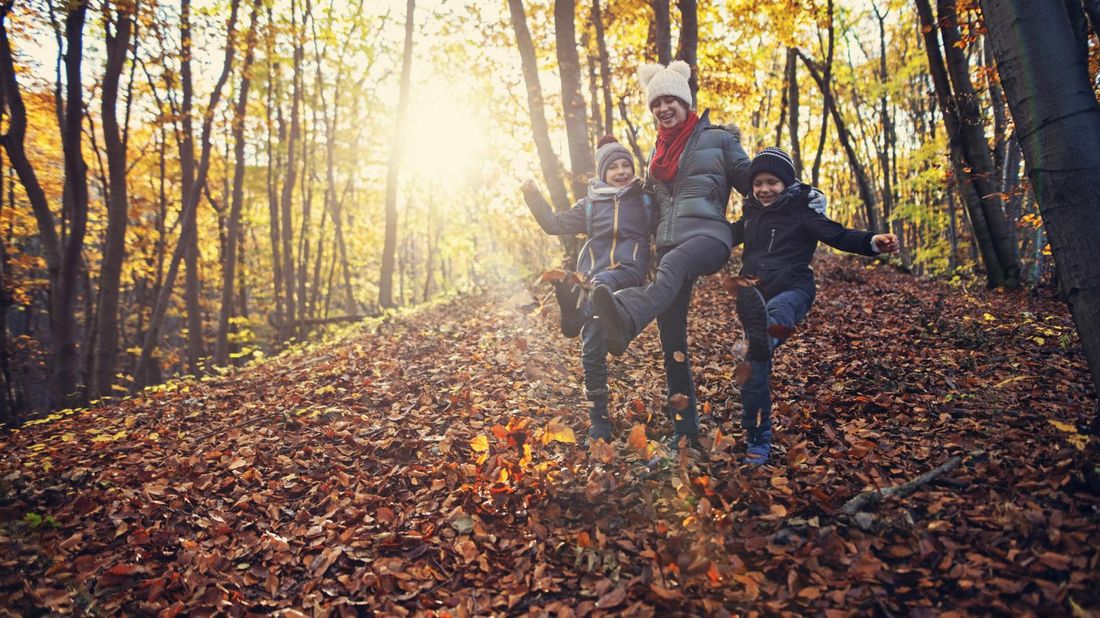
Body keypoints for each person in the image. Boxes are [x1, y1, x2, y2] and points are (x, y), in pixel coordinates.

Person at [591, 60, 795, 449]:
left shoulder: (718, 139)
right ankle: (685, 430)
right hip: (669, 246)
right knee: (672, 341)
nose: (663, 109)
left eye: (670, 100)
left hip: (708, 239)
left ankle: (629, 318)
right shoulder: (656, 153)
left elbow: (754, 183)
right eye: (656, 104)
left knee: (673, 265)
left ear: (685, 101)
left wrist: (750, 223)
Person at [732, 147, 900, 463]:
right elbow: (725, 236)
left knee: (776, 315)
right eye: (758, 183)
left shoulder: (801, 211)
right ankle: (758, 440)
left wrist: (872, 242)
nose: (765, 189)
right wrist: (692, 240)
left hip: (794, 287)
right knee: (755, 371)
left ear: (786, 184)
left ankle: (763, 336)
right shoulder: (751, 213)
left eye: (772, 182)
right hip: (755, 293)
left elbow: (837, 234)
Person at [521, 136, 653, 442]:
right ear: (603, 173)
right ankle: (599, 419)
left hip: (627, 273)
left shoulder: (645, 200)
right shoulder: (591, 205)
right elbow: (553, 224)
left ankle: (575, 314)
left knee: (600, 290)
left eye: (626, 165)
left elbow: (671, 219)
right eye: (614, 167)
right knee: (592, 348)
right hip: (592, 279)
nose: (621, 172)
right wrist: (532, 194)